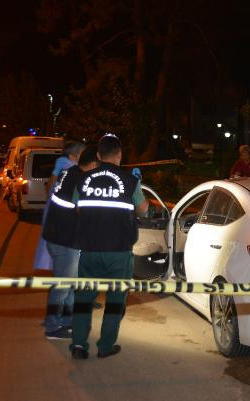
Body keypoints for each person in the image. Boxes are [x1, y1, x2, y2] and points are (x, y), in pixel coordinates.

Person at [70, 133, 149, 359]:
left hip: (90, 250)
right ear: (120, 155)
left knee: (84, 298)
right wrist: (138, 187)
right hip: (119, 252)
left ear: (98, 155)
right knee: (116, 300)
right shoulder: (129, 181)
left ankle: (78, 344)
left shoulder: (83, 179)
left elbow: (78, 208)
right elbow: (144, 210)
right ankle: (105, 346)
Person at [41, 146, 99, 340]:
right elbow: (82, 211)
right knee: (64, 285)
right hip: (66, 240)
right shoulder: (82, 180)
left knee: (70, 283)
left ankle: (67, 321)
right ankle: (52, 326)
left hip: (56, 236)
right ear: (93, 164)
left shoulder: (69, 172)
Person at [33, 141, 85, 271]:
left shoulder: (67, 167)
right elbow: (50, 188)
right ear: (73, 156)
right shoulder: (69, 168)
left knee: (60, 264)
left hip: (57, 223)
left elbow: (49, 189)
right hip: (64, 227)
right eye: (82, 154)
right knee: (66, 267)